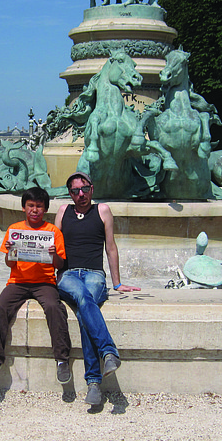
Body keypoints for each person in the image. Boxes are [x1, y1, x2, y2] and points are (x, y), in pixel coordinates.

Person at [55, 171, 139, 405]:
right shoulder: (63, 212)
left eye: (84, 189)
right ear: (70, 193)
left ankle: (93, 383)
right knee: (84, 298)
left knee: (84, 308)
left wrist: (118, 283)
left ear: (92, 189)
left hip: (94, 274)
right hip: (69, 275)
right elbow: (55, 247)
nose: (80, 194)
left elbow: (110, 248)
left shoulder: (102, 210)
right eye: (74, 191)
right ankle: (108, 352)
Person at [0, 186, 73, 385]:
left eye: (39, 206)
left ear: (45, 209)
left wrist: (53, 255)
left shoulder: (53, 232)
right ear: (23, 208)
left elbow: (60, 265)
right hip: (18, 281)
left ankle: (62, 360)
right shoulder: (14, 230)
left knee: (54, 308)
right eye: (30, 205)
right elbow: (9, 263)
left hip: (45, 282)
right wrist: (9, 252)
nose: (34, 210)